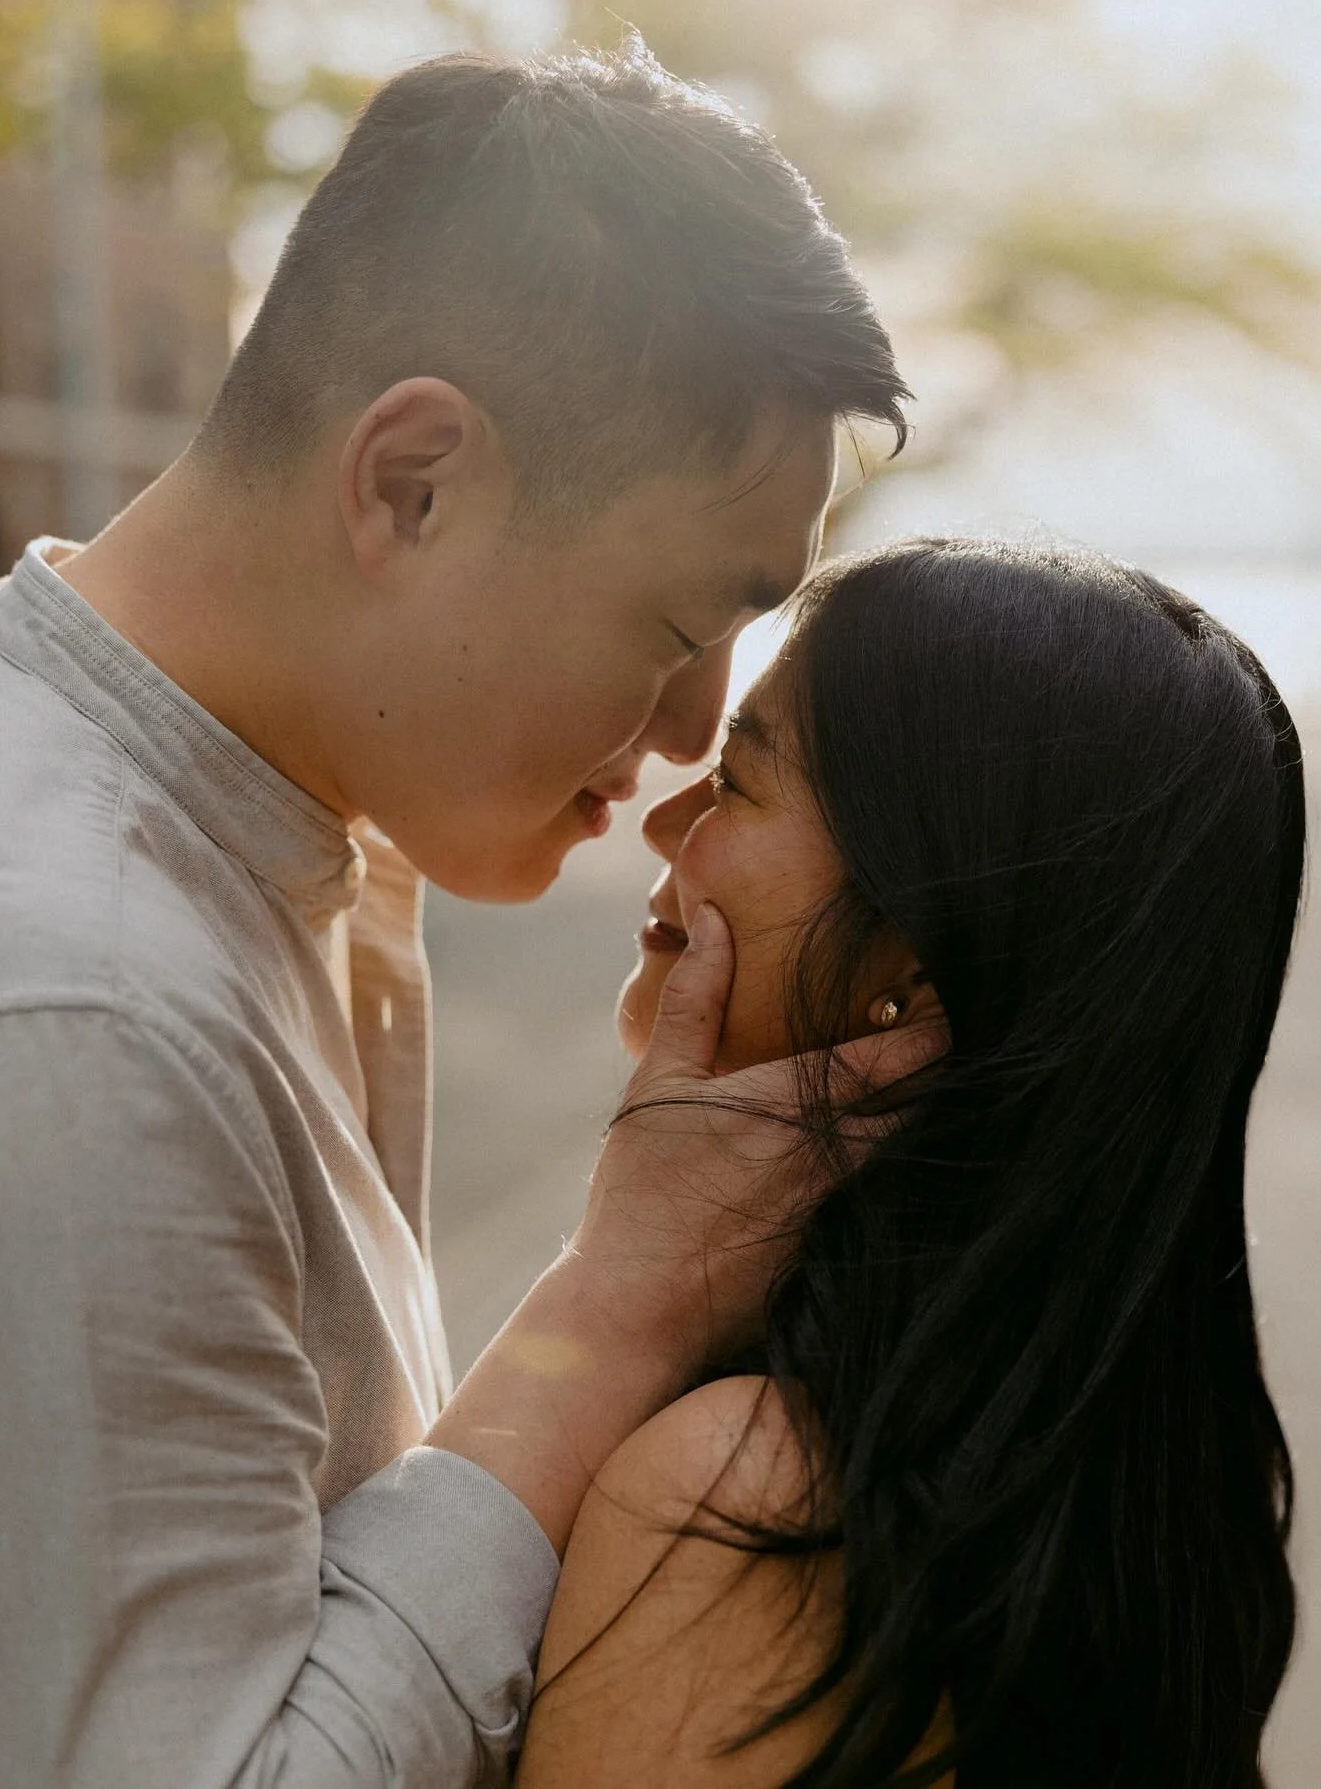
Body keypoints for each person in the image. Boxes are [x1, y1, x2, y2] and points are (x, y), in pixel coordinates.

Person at [0, 42, 918, 1789]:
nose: (692, 736)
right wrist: (624, 1298)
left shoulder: (262, 850)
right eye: (680, 624)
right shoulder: (71, 1005)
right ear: (412, 482)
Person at [516, 538, 1303, 1789]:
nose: (665, 818)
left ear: (918, 962)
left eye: (737, 779)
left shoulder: (756, 1505)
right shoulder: (1137, 1459)